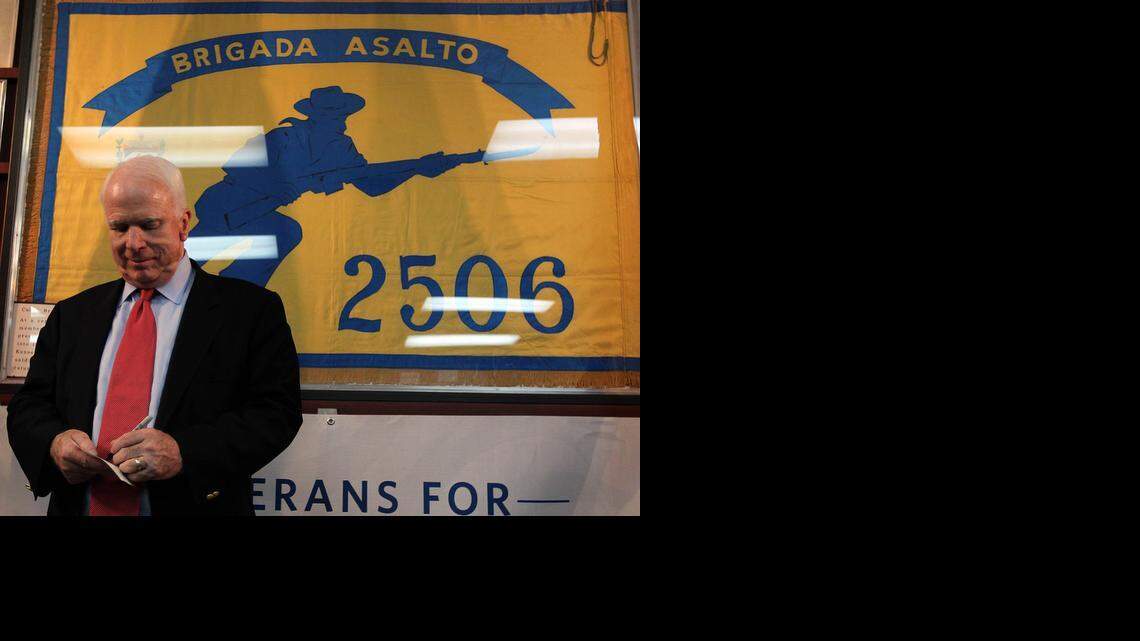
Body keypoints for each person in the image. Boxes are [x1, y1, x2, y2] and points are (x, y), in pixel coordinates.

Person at [6, 155, 302, 516]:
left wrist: (184, 452)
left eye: (148, 225)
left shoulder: (250, 312)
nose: (133, 243)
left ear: (183, 224)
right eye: (119, 227)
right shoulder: (73, 315)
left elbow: (275, 414)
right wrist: (54, 442)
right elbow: (29, 405)